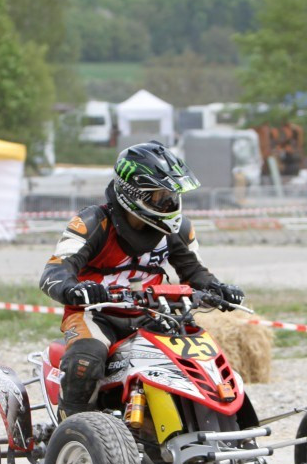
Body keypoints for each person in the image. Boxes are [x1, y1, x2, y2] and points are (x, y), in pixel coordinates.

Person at [39, 141, 244, 419]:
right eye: (159, 197)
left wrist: (218, 289)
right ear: (131, 193)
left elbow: (195, 272)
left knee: (198, 357)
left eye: (171, 195)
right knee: (85, 362)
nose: (168, 203)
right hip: (96, 314)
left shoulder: (177, 229)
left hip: (152, 312)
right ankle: (71, 433)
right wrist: (75, 289)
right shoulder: (92, 222)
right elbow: (55, 271)